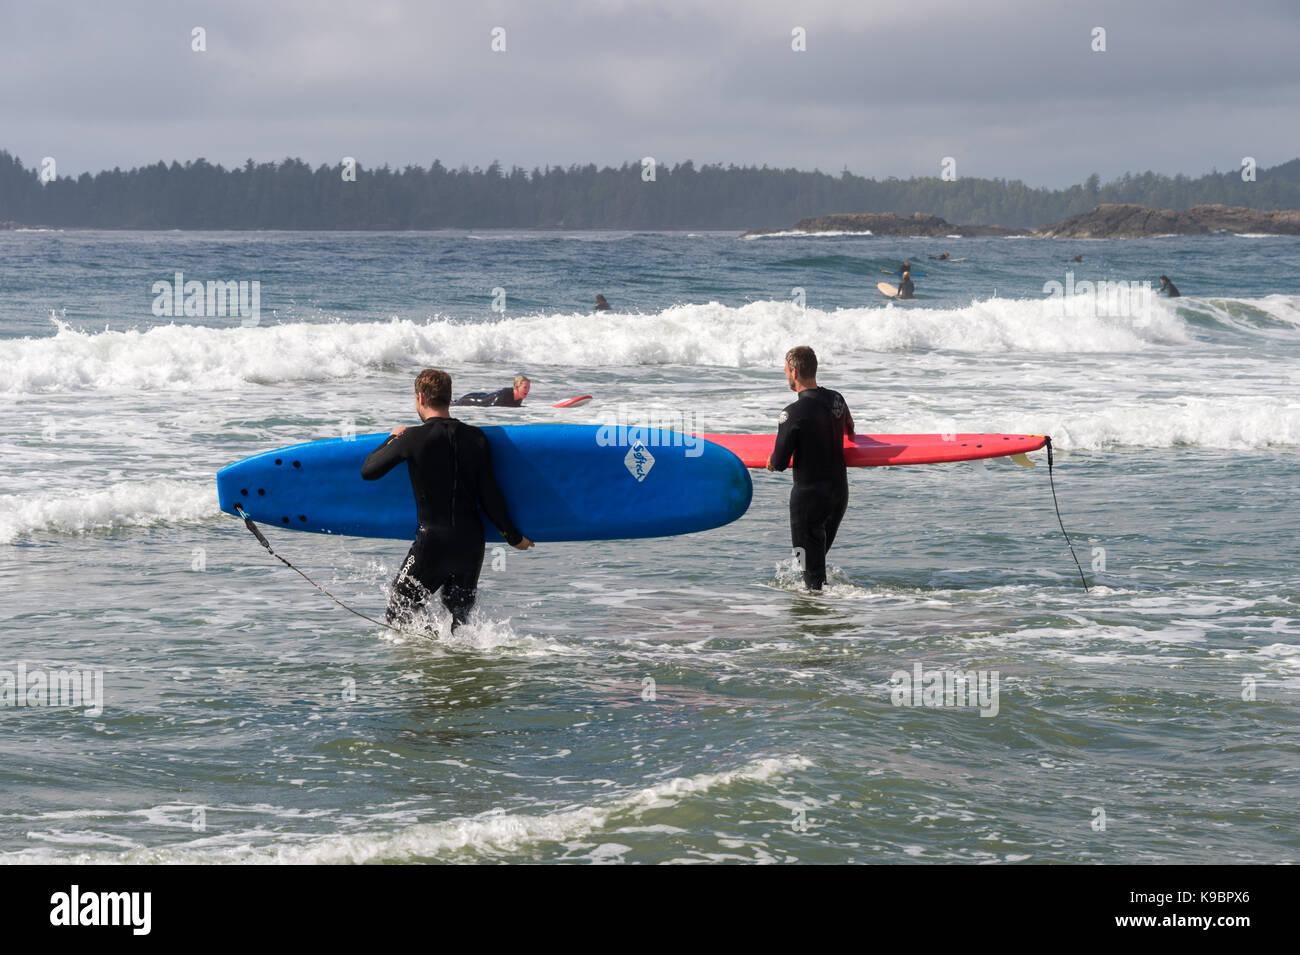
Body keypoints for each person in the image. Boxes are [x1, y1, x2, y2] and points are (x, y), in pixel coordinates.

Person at [362, 368, 534, 630]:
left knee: (399, 613)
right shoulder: (476, 437)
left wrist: (390, 439)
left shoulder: (411, 438)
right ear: (448, 397)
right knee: (460, 625)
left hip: (432, 542)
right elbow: (490, 494)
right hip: (471, 544)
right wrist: (513, 537)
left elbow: (369, 471)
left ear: (420, 397)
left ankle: (426, 662)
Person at [765, 346, 855, 592]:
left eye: (785, 371)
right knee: (815, 564)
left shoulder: (792, 414)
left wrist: (771, 462)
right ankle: (825, 620)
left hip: (809, 500)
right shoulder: (837, 399)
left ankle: (816, 624)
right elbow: (850, 428)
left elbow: (780, 461)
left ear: (794, 371)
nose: (786, 376)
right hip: (838, 494)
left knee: (812, 579)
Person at [453, 374, 531, 407]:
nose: (527, 390)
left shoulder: (519, 397)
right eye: (525, 387)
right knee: (454, 404)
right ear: (516, 387)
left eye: (528, 387)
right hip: (472, 401)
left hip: (484, 396)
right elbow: (490, 409)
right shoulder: (504, 396)